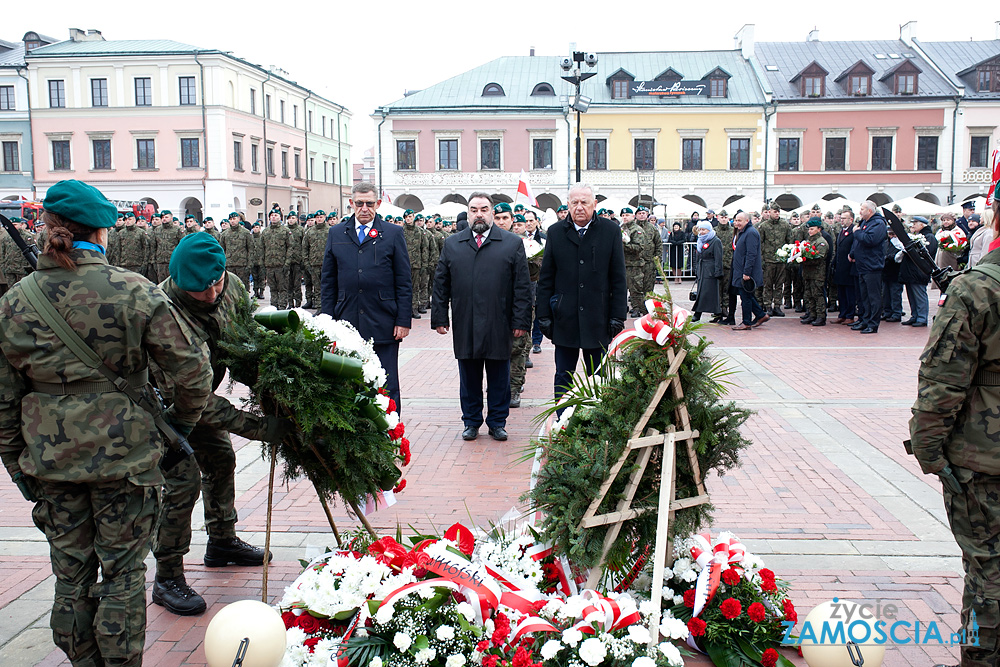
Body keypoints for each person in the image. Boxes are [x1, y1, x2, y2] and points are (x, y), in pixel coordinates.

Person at [0, 180, 212, 666]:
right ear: (102, 232)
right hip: (126, 461)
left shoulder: (13, 302)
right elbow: (193, 371)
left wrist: (18, 467)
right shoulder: (133, 291)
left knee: (70, 578)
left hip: (50, 463)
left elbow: (4, 402)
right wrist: (176, 426)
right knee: (121, 576)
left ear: (49, 228)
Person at [152, 233, 285, 616]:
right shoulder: (161, 313)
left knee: (221, 461)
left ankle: (222, 541)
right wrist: (259, 428)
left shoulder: (233, 286)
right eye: (200, 290)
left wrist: (270, 385)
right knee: (181, 483)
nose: (212, 295)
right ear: (179, 282)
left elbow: (242, 343)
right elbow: (194, 400)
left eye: (217, 283)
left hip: (200, 396)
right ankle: (167, 576)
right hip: (165, 410)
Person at [909, 194, 1000, 667]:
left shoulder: (978, 289)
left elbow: (943, 380)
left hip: (985, 460)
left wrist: (928, 450)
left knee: (986, 568)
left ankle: (980, 659)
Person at [431, 193, 531, 441]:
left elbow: (522, 287)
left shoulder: (510, 243)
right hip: (466, 321)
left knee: (500, 376)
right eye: (474, 209)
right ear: (467, 212)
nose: (478, 214)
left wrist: (521, 322)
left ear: (492, 213)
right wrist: (440, 317)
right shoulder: (453, 243)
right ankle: (472, 421)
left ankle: (497, 422)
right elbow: (441, 283)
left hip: (500, 321)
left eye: (484, 209)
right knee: (469, 377)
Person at [321, 183, 412, 412]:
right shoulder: (336, 233)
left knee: (387, 382)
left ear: (378, 204)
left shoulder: (392, 233)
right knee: (348, 382)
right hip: (347, 321)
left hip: (384, 321)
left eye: (369, 204)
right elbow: (328, 281)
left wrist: (403, 320)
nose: (364, 208)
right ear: (351, 203)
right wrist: (327, 321)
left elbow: (403, 280)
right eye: (359, 203)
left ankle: (389, 432)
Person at [535, 184, 627, 401]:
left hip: (599, 319)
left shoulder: (610, 231)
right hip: (564, 318)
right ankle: (562, 421)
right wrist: (544, 316)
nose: (579, 207)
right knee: (563, 376)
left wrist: (618, 316)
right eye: (574, 202)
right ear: (567, 205)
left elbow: (618, 278)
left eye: (584, 202)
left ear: (594, 204)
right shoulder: (556, 233)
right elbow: (546, 278)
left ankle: (596, 422)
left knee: (599, 378)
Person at [850, 201, 888, 334]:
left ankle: (873, 323)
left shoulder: (878, 223)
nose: (860, 212)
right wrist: (853, 253)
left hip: (872, 266)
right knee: (864, 297)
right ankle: (865, 321)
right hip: (862, 265)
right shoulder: (864, 223)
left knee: (874, 297)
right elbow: (859, 242)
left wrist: (857, 232)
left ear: (870, 211)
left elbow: (870, 239)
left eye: (862, 209)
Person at [897, 216, 937, 327]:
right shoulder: (917, 236)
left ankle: (922, 317)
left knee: (919, 295)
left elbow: (926, 253)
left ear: (922, 225)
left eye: (915, 223)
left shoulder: (929, 237)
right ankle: (915, 315)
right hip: (911, 271)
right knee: (911, 295)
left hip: (919, 271)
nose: (912, 225)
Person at [731, 212, 767, 331]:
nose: (737, 223)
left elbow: (751, 254)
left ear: (747, 221)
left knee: (745, 298)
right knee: (748, 296)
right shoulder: (743, 232)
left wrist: (747, 272)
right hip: (740, 270)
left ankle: (746, 322)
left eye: (740, 221)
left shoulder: (751, 233)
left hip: (746, 273)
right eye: (736, 220)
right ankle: (761, 315)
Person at [758, 202, 790, 317]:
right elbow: (760, 243)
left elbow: (789, 241)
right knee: (768, 284)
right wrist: (761, 259)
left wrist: (787, 257)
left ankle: (777, 306)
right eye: (774, 212)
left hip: (780, 260)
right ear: (769, 212)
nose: (777, 214)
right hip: (768, 260)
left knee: (779, 285)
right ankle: (767, 306)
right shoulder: (764, 226)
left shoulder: (785, 225)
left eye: (778, 212)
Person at [799, 218, 830, 326]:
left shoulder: (821, 242)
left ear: (819, 229)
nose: (810, 231)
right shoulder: (809, 241)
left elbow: (818, 258)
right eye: (809, 229)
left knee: (818, 295)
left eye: (812, 229)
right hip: (808, 273)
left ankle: (821, 316)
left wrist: (804, 259)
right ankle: (812, 314)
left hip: (817, 274)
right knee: (809, 295)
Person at [691, 221, 723, 322]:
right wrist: (697, 269)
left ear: (709, 230)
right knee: (704, 292)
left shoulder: (715, 241)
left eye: (704, 230)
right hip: (702, 270)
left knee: (707, 293)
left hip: (710, 271)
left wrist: (718, 271)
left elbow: (718, 257)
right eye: (700, 229)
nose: (702, 232)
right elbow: (698, 256)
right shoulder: (701, 240)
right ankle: (717, 313)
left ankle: (698, 313)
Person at [621, 207, 648, 318]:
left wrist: (625, 244)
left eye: (627, 215)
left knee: (635, 289)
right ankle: (628, 307)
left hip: (634, 264)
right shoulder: (622, 228)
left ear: (633, 216)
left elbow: (639, 247)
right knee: (622, 288)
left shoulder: (637, 230)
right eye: (623, 215)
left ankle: (638, 309)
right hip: (623, 263)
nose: (625, 217)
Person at [832, 210, 858, 324]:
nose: (841, 220)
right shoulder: (841, 232)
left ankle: (850, 315)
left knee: (849, 294)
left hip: (849, 267)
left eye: (844, 218)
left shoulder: (854, 232)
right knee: (841, 293)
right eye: (841, 218)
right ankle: (842, 314)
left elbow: (854, 248)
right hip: (840, 267)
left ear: (851, 219)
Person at [261, 209, 291, 308]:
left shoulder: (285, 231)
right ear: (269, 217)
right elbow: (261, 248)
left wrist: (287, 263)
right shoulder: (265, 232)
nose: (274, 217)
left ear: (280, 217)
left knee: (282, 288)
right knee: (272, 288)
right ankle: (273, 306)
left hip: (281, 264)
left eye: (276, 215)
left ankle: (282, 306)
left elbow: (290, 247)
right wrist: (262, 263)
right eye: (272, 215)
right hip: (269, 265)